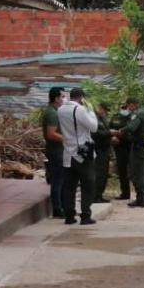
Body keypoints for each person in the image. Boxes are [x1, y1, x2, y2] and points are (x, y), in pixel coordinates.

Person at [57, 87, 98, 225]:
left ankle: (69, 216)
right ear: (82, 98)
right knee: (88, 185)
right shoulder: (80, 109)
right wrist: (90, 110)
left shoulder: (61, 109)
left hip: (68, 153)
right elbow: (94, 127)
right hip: (82, 153)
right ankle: (85, 215)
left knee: (69, 187)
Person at [124, 100, 144, 208]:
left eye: (128, 106)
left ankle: (140, 199)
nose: (128, 109)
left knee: (138, 173)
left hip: (140, 146)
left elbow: (131, 127)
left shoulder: (137, 114)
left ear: (132, 105)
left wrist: (121, 131)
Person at [42, 87, 66, 218]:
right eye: (62, 96)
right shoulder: (52, 113)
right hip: (56, 151)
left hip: (59, 150)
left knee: (62, 180)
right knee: (58, 180)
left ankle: (62, 206)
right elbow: (51, 134)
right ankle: (57, 209)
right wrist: (67, 139)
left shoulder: (56, 111)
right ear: (56, 98)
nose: (64, 99)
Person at [109, 98, 136, 202]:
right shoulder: (115, 117)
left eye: (125, 106)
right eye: (122, 106)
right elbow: (109, 129)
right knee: (122, 170)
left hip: (131, 146)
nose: (123, 108)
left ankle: (140, 195)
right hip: (119, 147)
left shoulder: (133, 117)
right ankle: (125, 193)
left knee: (134, 171)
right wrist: (112, 137)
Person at [90, 101, 112, 203]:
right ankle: (95, 196)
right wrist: (109, 133)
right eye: (103, 110)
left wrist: (111, 135)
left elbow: (106, 130)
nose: (104, 112)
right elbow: (95, 133)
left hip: (105, 148)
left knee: (104, 174)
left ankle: (100, 195)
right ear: (99, 108)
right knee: (98, 173)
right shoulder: (93, 118)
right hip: (98, 149)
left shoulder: (103, 118)